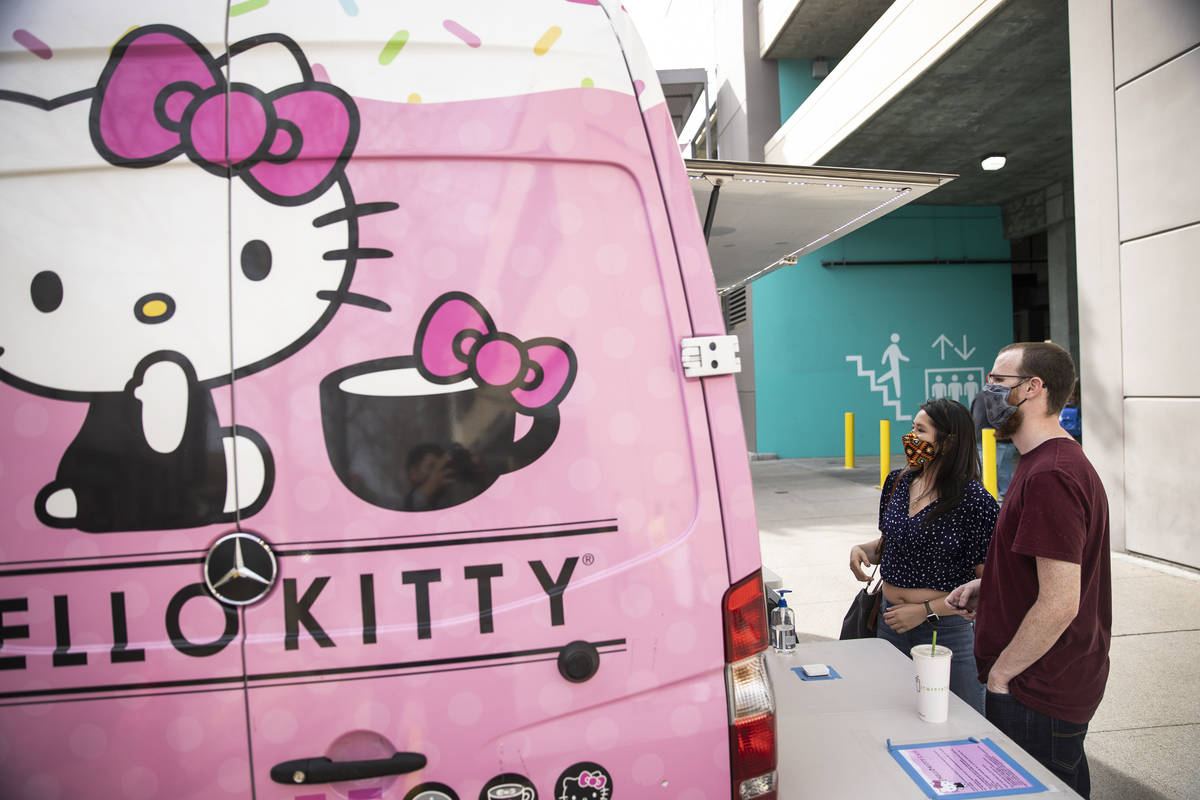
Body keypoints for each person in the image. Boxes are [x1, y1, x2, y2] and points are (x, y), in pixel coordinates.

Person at [947, 342, 1110, 798]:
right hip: (1046, 682)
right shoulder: (1042, 463)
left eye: (999, 382)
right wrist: (994, 586)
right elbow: (1050, 570)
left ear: (1033, 388)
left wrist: (1001, 677)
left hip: (1036, 688)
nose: (987, 392)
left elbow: (1060, 602)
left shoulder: (1050, 474)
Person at [849, 398, 998, 714]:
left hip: (945, 631)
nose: (911, 437)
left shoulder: (975, 501)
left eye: (920, 430)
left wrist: (924, 611)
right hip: (889, 621)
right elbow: (891, 543)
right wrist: (863, 550)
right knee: (894, 714)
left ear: (948, 441)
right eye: (912, 428)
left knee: (960, 717)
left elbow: (990, 583)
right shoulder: (898, 482)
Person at [971, 388, 1017, 499]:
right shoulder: (1005, 396)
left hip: (983, 437)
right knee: (1002, 471)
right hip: (1000, 438)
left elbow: (972, 415)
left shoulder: (979, 396)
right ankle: (1004, 496)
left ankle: (987, 497)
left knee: (985, 470)